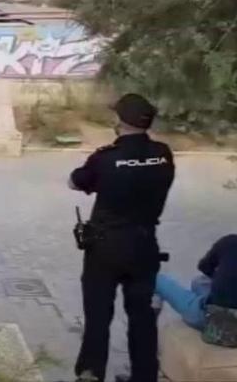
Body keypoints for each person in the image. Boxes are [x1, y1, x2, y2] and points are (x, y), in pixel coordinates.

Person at [68, 93, 175, 382]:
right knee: (142, 318)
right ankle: (144, 376)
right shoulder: (164, 154)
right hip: (144, 246)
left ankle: (91, 373)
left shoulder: (105, 158)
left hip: (105, 248)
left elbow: (75, 181)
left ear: (120, 121)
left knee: (98, 315)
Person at [155, 213, 237, 332]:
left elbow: (204, 266)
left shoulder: (231, 241)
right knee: (199, 282)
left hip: (208, 319)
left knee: (156, 280)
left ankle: (148, 333)